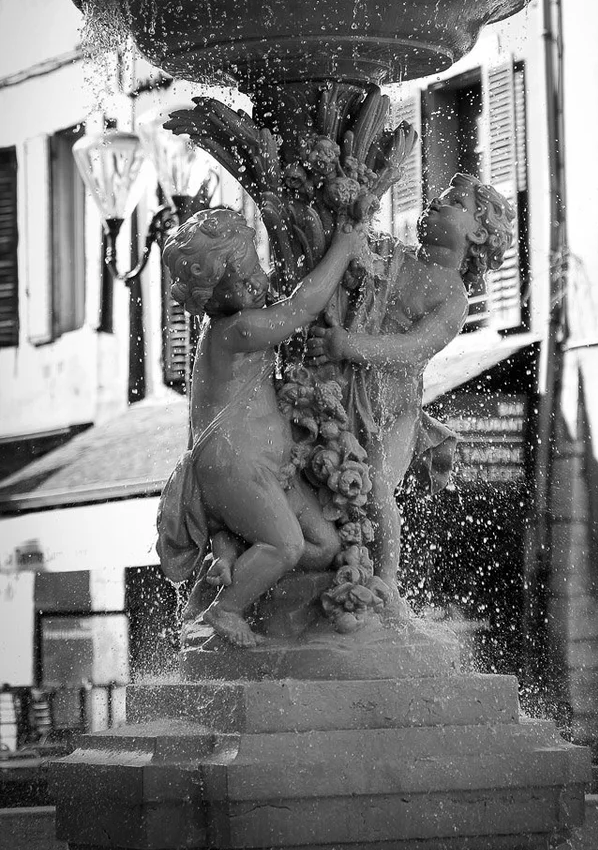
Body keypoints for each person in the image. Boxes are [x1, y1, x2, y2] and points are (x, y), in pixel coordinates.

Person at [157, 207, 365, 647]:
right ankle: (226, 608)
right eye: (245, 280)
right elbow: (302, 308)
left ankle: (239, 563)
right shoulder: (235, 331)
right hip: (236, 463)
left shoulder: (233, 326)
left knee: (325, 547)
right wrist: (344, 248)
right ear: (210, 295)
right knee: (287, 546)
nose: (259, 283)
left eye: (258, 270)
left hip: (269, 467)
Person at [307, 173, 513, 604]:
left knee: (378, 485)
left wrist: (348, 345)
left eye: (455, 202)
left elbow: (411, 349)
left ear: (477, 234)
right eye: (440, 196)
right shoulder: (393, 253)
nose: (436, 202)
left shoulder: (453, 296)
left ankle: (387, 583)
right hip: (349, 385)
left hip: (395, 408)